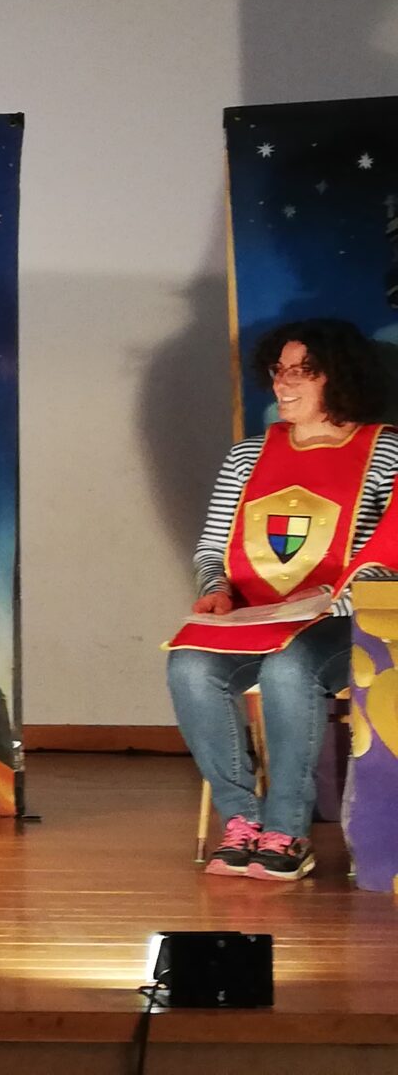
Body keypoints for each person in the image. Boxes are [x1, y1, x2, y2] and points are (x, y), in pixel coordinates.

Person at [167, 319, 398, 881]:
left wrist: (330, 604)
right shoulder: (247, 457)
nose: (283, 383)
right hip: (256, 617)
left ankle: (287, 831)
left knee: (289, 667)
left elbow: (388, 557)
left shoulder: (386, 451)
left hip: (343, 622)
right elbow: (212, 548)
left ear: (340, 376)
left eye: (303, 371)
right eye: (279, 370)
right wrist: (216, 589)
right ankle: (241, 822)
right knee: (189, 665)